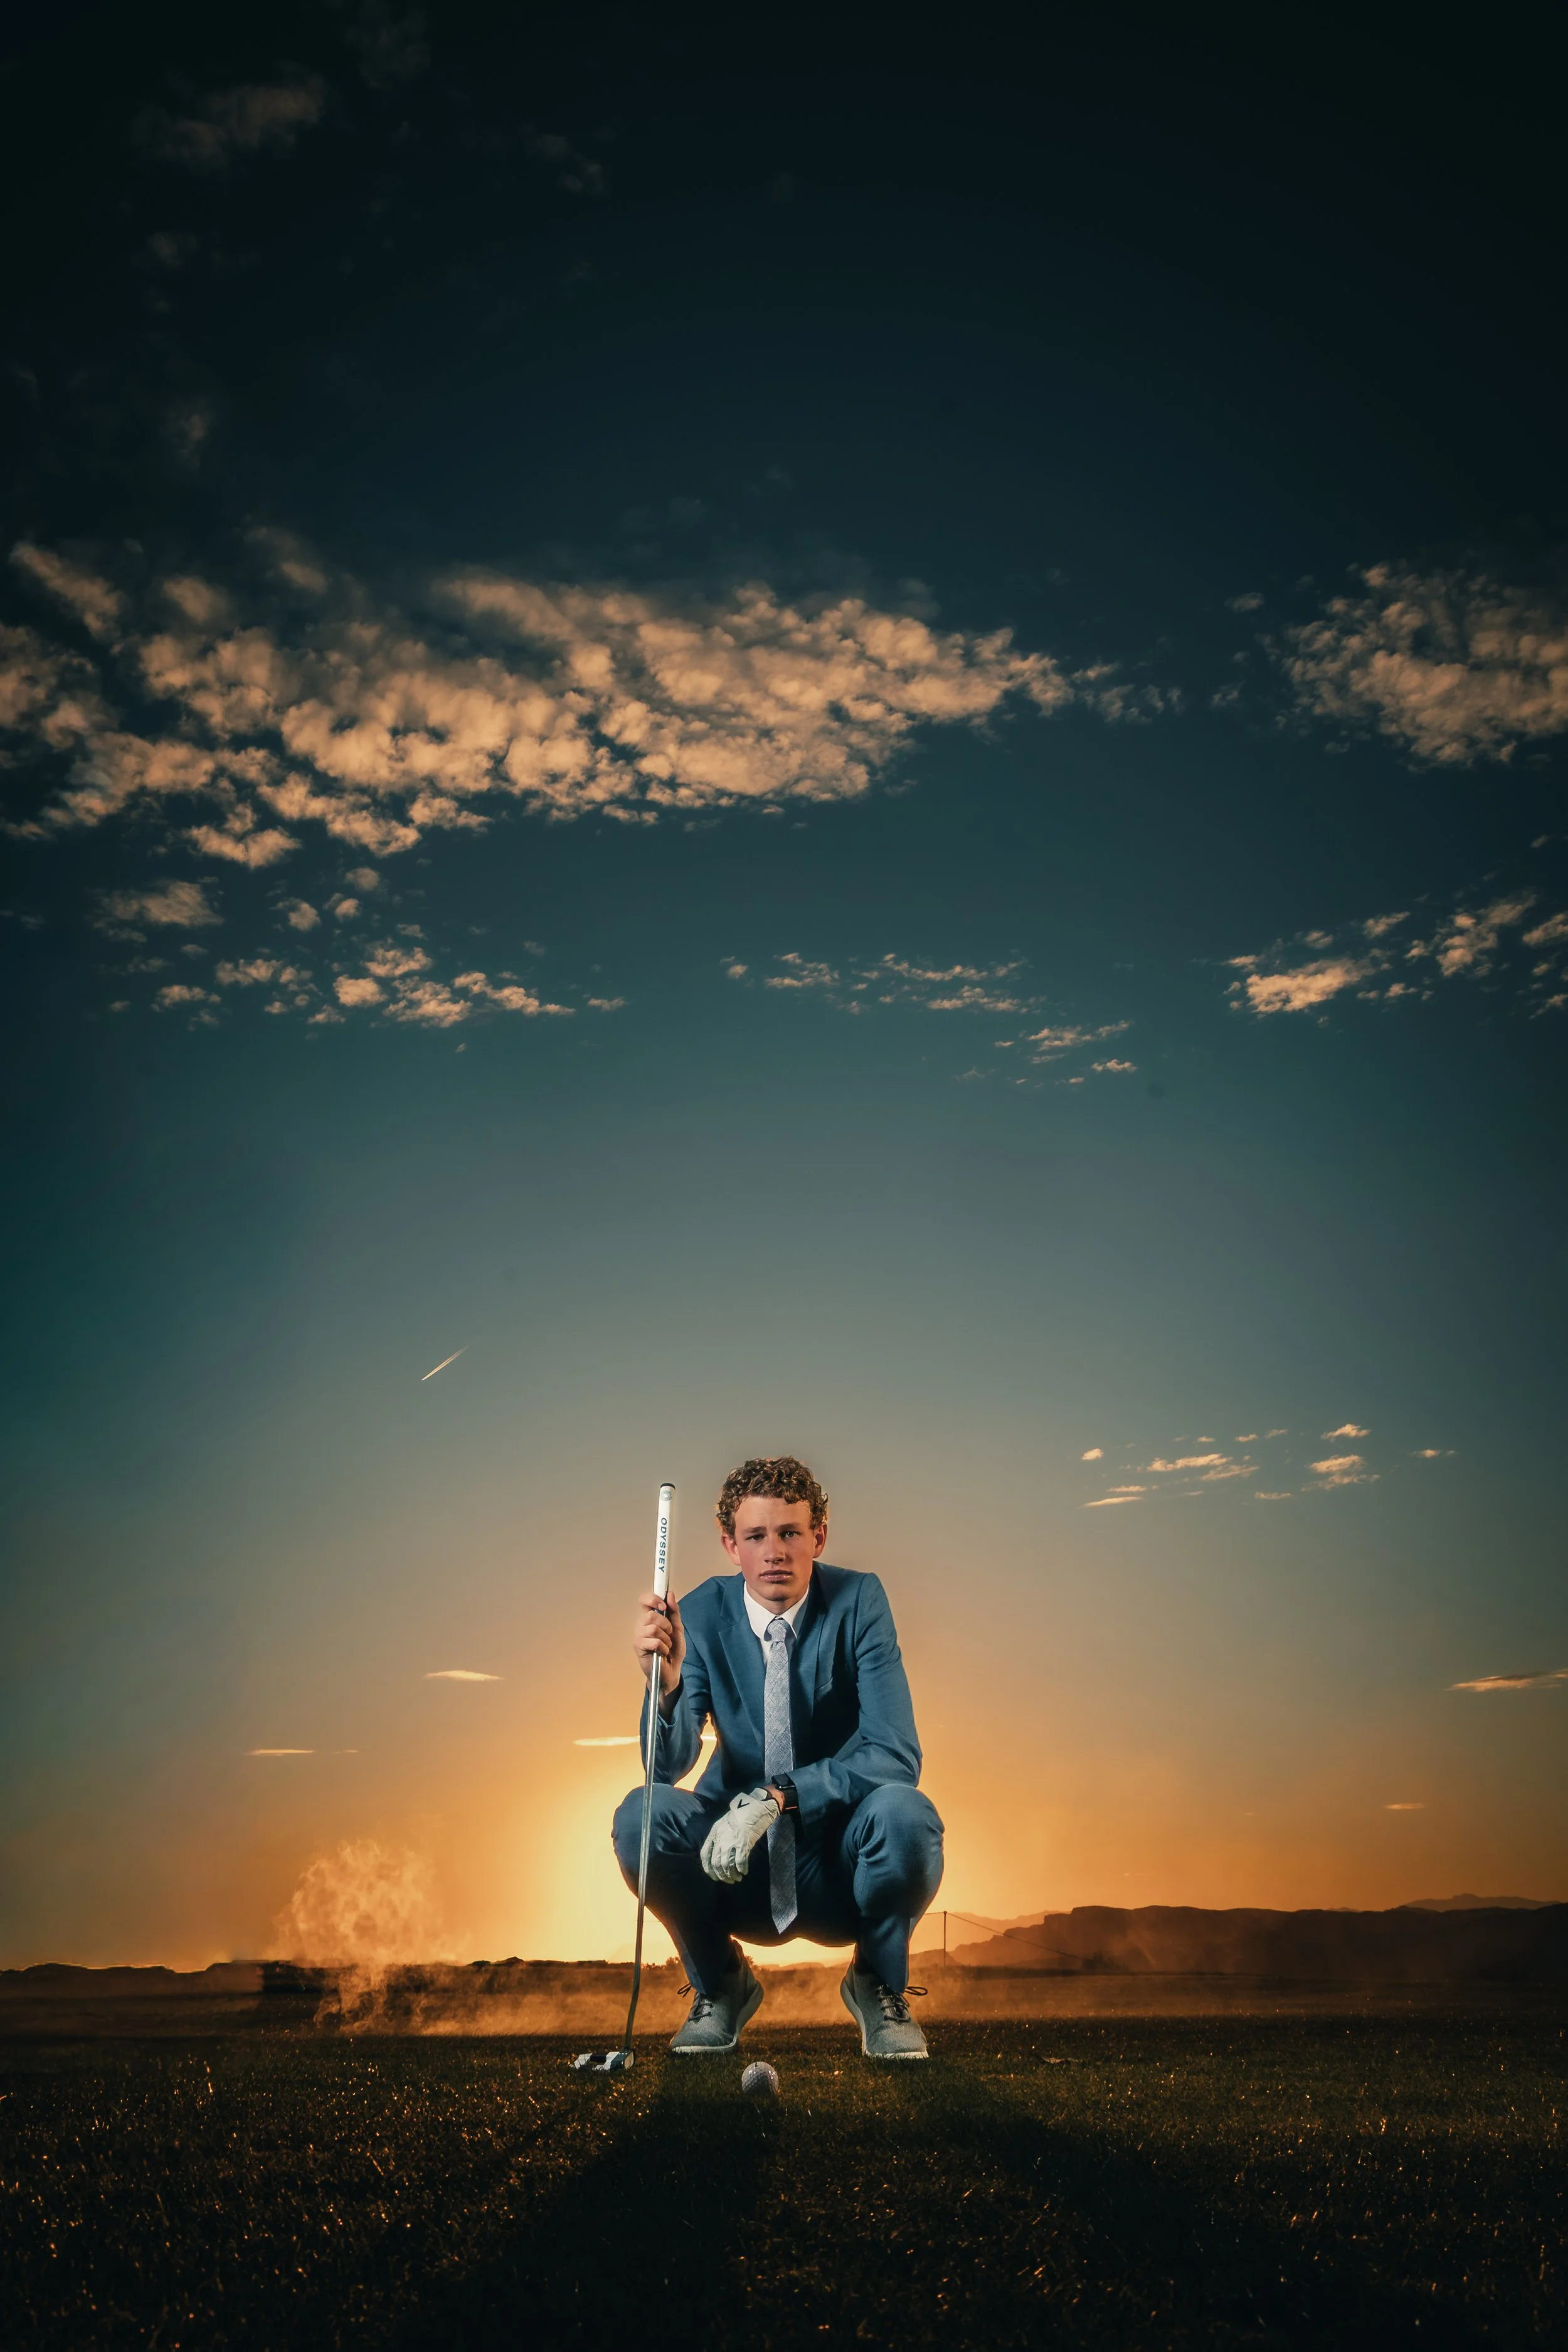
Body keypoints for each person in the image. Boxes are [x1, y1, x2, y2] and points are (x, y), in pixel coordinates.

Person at [613, 1454, 944, 2060]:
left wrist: (780, 1794)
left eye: (791, 1533)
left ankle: (876, 1981)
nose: (775, 1552)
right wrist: (664, 1686)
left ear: (819, 1534)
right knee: (640, 1817)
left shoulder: (860, 1599)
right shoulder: (704, 1613)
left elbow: (895, 1753)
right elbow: (665, 1768)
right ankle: (720, 1983)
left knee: (907, 1816)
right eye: (756, 1536)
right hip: (732, 1862)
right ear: (729, 1545)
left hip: (837, 1861)